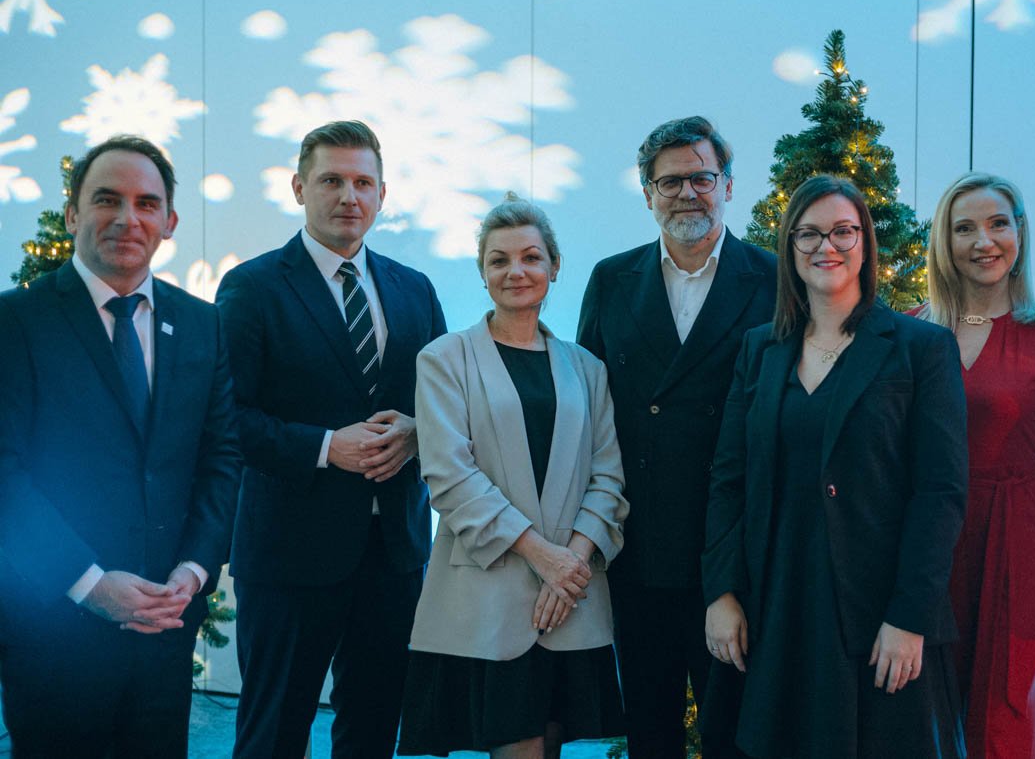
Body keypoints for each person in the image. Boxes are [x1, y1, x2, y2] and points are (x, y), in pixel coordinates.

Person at [703, 174, 968, 758]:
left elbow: (940, 494)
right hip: (775, 605)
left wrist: (910, 616)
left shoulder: (921, 347)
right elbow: (728, 479)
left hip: (877, 614)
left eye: (843, 232)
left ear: (864, 243)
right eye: (809, 234)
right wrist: (720, 593)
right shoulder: (760, 349)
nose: (827, 246)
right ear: (790, 247)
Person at [0, 136, 242, 757]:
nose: (127, 218)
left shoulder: (204, 324)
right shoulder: (15, 321)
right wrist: (88, 583)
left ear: (170, 221)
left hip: (166, 621)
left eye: (146, 203)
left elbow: (220, 457)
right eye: (107, 199)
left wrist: (193, 571)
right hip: (51, 625)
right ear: (73, 213)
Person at [215, 120, 447, 758]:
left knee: (373, 729)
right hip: (288, 554)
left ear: (382, 195)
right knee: (274, 732)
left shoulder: (415, 288)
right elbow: (227, 418)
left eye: (363, 183)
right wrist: (325, 446)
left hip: (394, 552)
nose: (350, 196)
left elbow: (446, 404)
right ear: (299, 188)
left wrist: (418, 433)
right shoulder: (252, 287)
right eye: (332, 181)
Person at [398, 193, 628, 758]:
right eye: (498, 260)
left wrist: (570, 567)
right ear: (482, 272)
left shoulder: (587, 368)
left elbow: (608, 477)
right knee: (518, 748)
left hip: (571, 596)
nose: (515, 271)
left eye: (530, 257)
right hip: (488, 594)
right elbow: (450, 476)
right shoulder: (444, 359)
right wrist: (544, 558)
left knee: (549, 745)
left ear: (554, 267)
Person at [576, 115, 776, 758]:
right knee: (649, 731)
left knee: (734, 734)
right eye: (670, 182)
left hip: (737, 548)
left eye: (701, 178)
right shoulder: (611, 279)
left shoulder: (775, 280)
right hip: (640, 546)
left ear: (728, 185)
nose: (687, 193)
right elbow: (586, 408)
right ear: (647, 194)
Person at [914, 171, 1035, 758]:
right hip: (929, 549)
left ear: (1019, 232)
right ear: (944, 241)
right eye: (965, 228)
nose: (984, 241)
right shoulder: (911, 330)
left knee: (1004, 729)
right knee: (922, 726)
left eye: (999, 223)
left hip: (1018, 550)